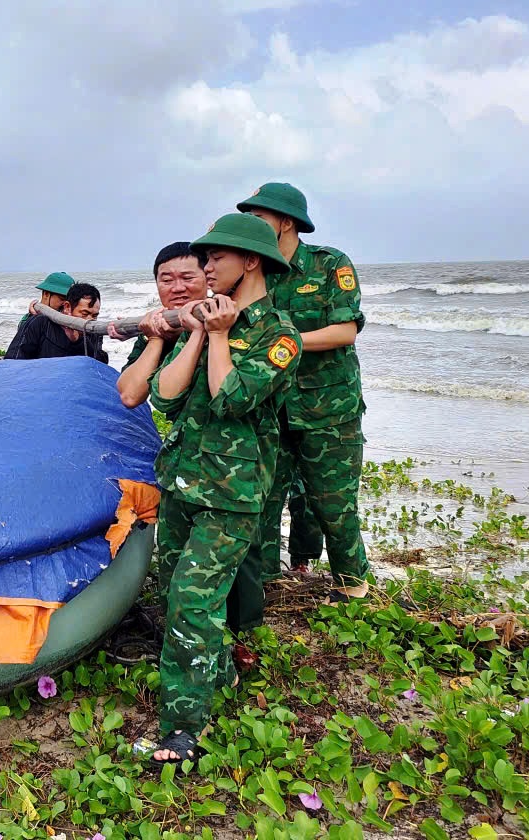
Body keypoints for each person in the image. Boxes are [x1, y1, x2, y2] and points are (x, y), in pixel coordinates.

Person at [140, 214, 300, 766]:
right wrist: (198, 332)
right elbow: (164, 396)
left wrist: (219, 336)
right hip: (182, 480)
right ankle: (221, 670)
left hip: (232, 494)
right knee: (175, 594)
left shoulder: (280, 336)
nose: (205, 268)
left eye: (216, 258)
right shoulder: (205, 319)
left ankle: (183, 728)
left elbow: (230, 398)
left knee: (192, 602)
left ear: (250, 262)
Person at [236, 182, 369, 602]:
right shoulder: (253, 269)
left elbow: (345, 331)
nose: (251, 224)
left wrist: (284, 342)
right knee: (262, 503)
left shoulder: (329, 265)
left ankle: (352, 588)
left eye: (259, 217)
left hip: (327, 410)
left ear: (287, 222)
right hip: (269, 409)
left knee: (334, 507)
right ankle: (263, 588)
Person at [114, 241, 207, 410]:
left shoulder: (221, 321)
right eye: (167, 280)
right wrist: (155, 339)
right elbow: (129, 396)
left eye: (187, 278)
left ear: (209, 278)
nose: (178, 288)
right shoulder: (155, 328)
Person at [5, 282, 109, 363]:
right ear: (67, 307)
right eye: (84, 313)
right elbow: (12, 361)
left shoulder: (94, 330)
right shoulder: (40, 324)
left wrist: (78, 342)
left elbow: (100, 366)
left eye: (94, 315)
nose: (89, 319)